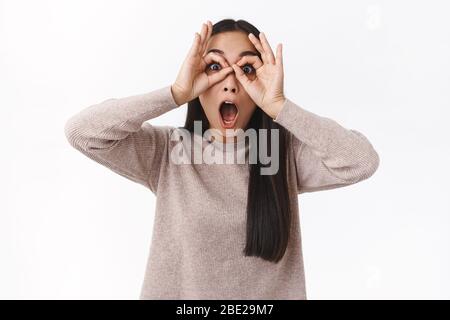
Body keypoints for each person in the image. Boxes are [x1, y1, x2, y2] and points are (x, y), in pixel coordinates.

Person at [64, 19, 380, 300]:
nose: (230, 82)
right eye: (215, 67)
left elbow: (361, 161)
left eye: (247, 70)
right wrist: (174, 92)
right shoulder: (168, 151)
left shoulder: (282, 153)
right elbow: (82, 132)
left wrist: (280, 107)